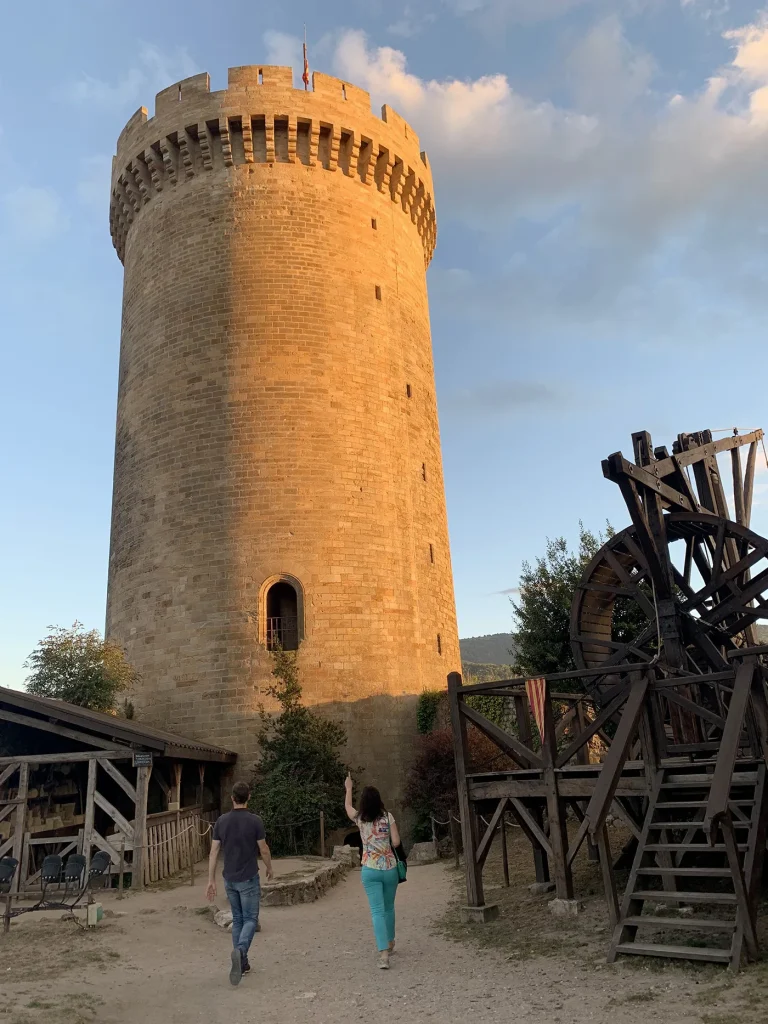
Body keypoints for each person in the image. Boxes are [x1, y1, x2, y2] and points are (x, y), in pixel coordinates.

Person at [206, 781, 273, 986]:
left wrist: (211, 880)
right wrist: (269, 867)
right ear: (249, 797)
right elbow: (263, 849)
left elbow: (214, 851)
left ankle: (242, 964)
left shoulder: (221, 821)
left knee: (238, 919)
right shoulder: (255, 821)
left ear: (232, 798)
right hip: (249, 877)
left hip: (229, 878)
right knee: (251, 919)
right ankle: (241, 950)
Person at [344, 773, 401, 969]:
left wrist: (349, 788)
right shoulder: (388, 817)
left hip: (369, 868)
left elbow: (348, 808)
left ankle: (383, 954)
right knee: (389, 907)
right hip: (389, 867)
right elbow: (396, 842)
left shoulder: (360, 819)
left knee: (376, 911)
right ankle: (391, 941)